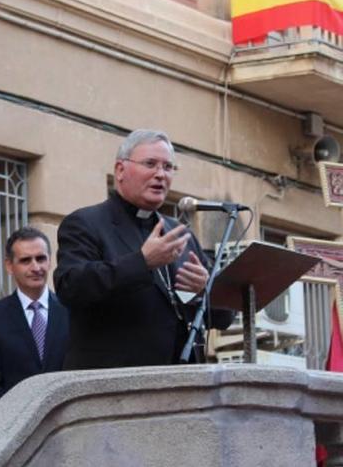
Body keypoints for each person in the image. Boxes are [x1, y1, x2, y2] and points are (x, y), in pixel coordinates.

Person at [54, 129, 234, 370]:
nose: (160, 174)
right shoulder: (86, 223)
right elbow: (71, 287)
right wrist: (142, 262)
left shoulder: (181, 234)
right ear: (120, 170)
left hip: (182, 380)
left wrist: (206, 291)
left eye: (168, 167)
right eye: (150, 164)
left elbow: (224, 318)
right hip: (112, 380)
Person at [0, 226, 70, 411]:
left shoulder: (71, 311)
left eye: (41, 258)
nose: (36, 267)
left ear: (50, 261)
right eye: (26, 260)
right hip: (15, 427)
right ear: (10, 266)